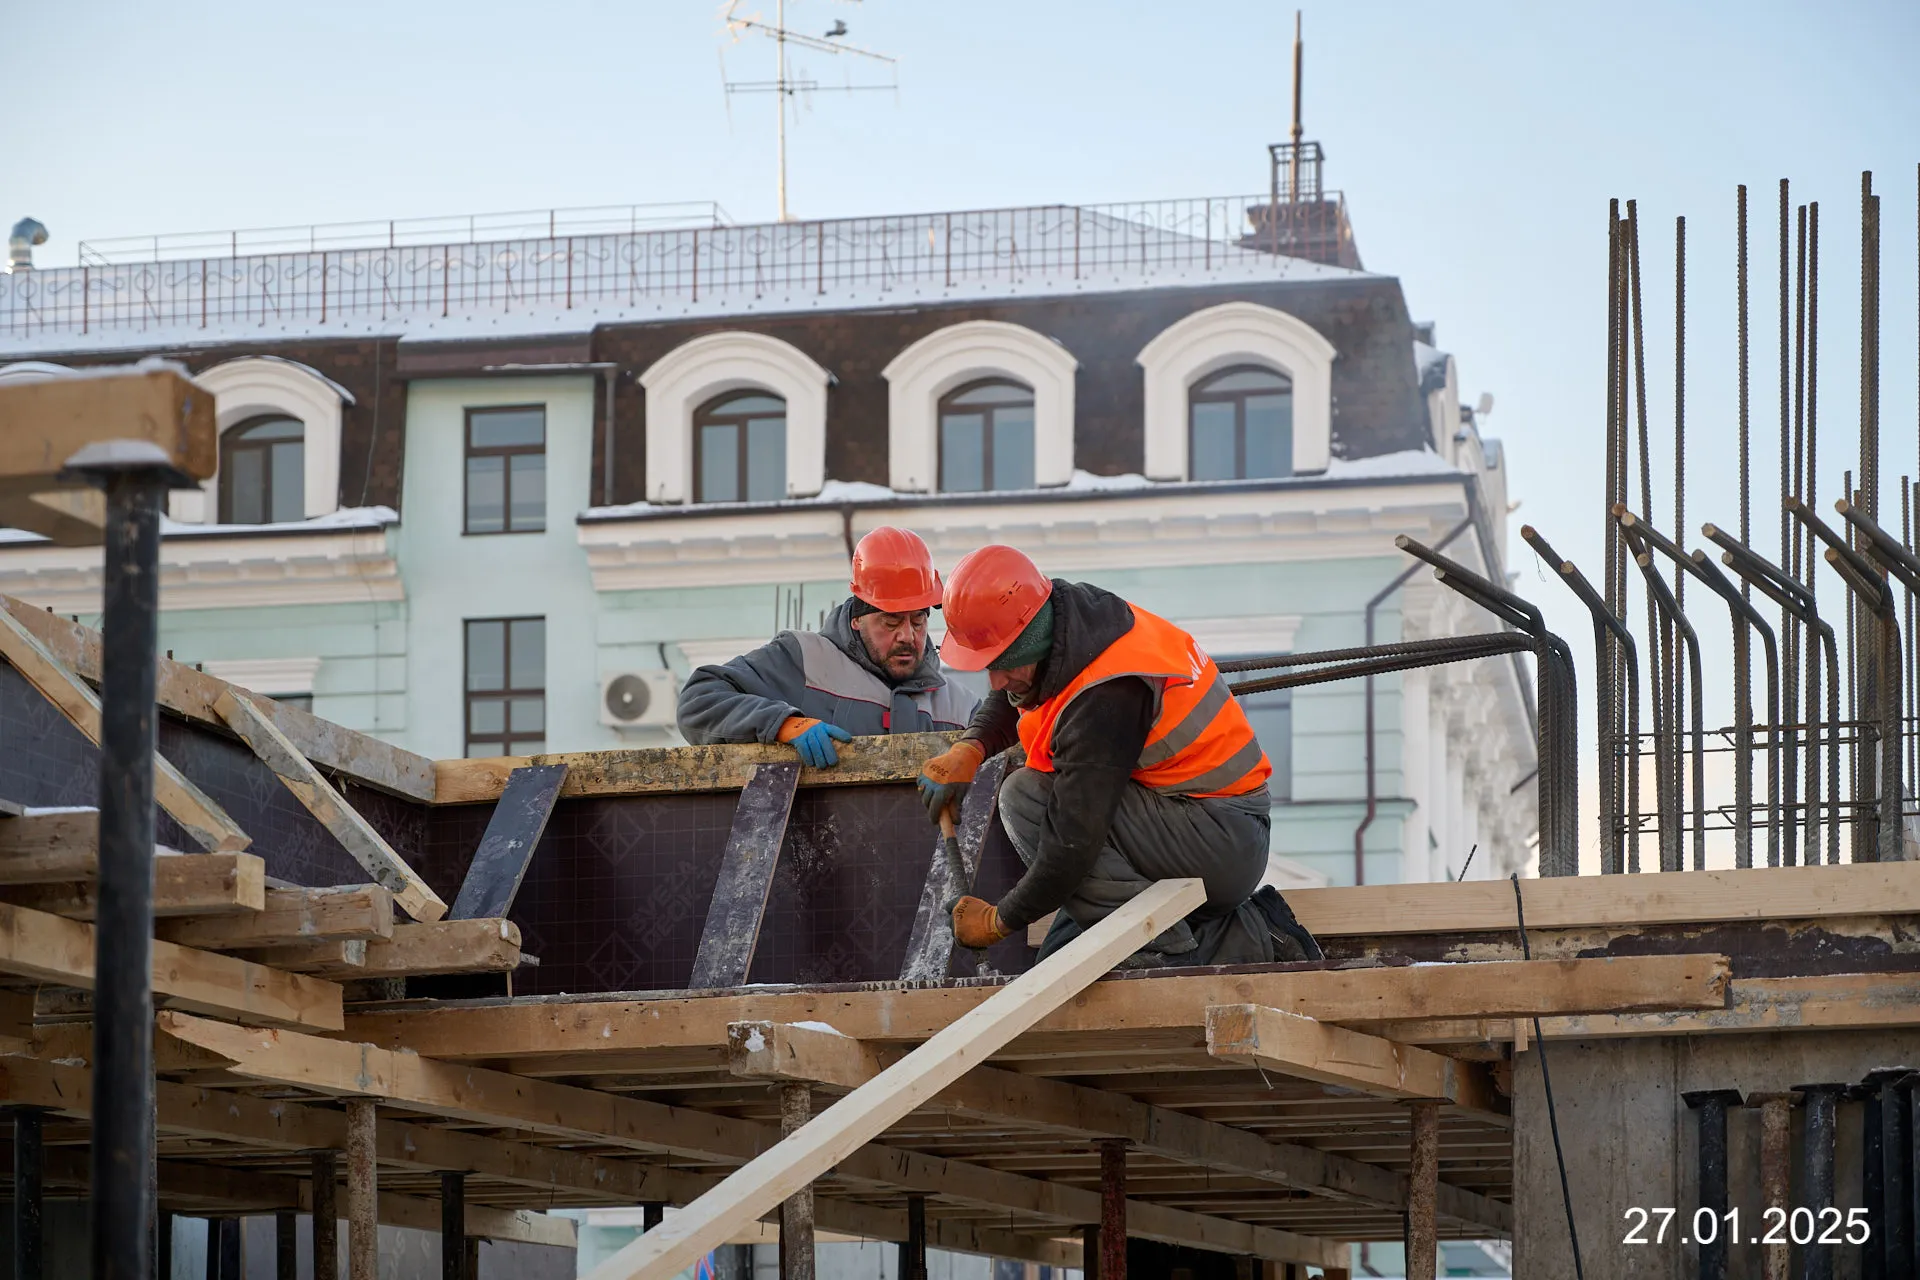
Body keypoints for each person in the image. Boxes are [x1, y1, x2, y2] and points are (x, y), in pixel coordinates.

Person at [916, 544, 1319, 968]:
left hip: (1223, 840)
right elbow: (1015, 692)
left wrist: (999, 921)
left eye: (1001, 663)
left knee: (1024, 798)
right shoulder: (1068, 621)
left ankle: (1173, 944)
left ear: (1029, 638)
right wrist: (971, 746)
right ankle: (1154, 933)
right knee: (1060, 957)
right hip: (1191, 818)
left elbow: (1070, 848)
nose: (994, 680)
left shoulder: (1106, 695)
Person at [677, 526, 981, 766]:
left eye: (917, 620)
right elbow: (699, 701)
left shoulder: (962, 708)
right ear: (857, 620)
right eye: (891, 621)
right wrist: (782, 724)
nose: (907, 636)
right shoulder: (805, 660)